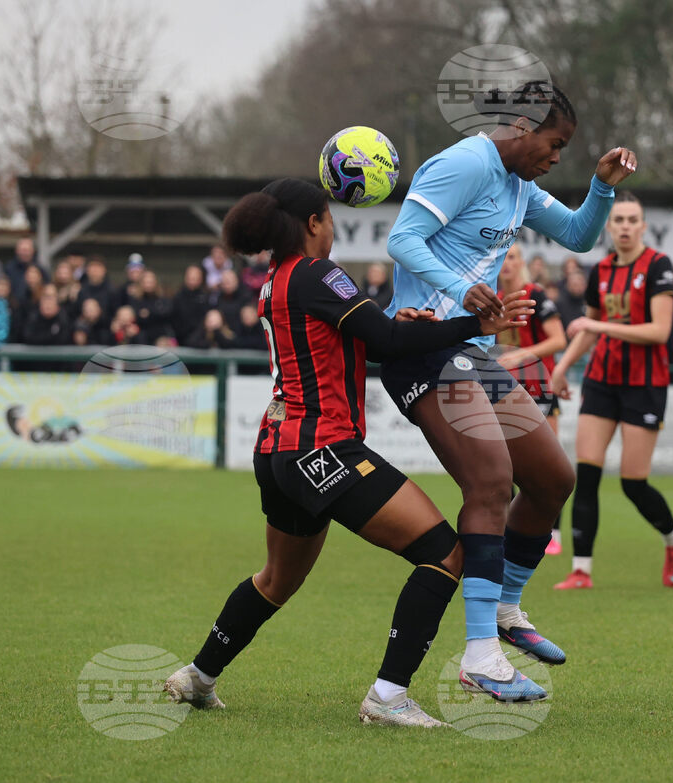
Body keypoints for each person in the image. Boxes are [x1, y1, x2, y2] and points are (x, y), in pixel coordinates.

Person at [164, 177, 535, 726]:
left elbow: (360, 334)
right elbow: (385, 343)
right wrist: (474, 325)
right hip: (324, 448)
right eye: (331, 218)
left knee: (276, 580)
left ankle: (198, 677)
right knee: (446, 552)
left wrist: (393, 324)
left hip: (277, 451)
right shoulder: (318, 273)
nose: (334, 227)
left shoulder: (276, 280)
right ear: (314, 223)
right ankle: (388, 695)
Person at [380, 79, 636, 700]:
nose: (556, 157)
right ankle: (479, 655)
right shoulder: (465, 163)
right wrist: (460, 288)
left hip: (470, 351)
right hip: (423, 348)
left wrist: (602, 185)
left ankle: (504, 609)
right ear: (521, 129)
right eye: (555, 144)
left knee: (553, 476)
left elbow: (578, 236)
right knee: (493, 481)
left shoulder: (519, 186)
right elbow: (402, 240)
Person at [549, 192, 673, 590]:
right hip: (602, 380)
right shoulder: (602, 270)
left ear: (644, 226)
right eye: (619, 220)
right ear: (608, 227)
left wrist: (599, 327)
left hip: (645, 383)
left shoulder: (659, 265)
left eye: (633, 220)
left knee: (632, 482)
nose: (625, 226)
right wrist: (560, 367)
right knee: (585, 474)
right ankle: (582, 571)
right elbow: (590, 325)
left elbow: (659, 331)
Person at [496, 243, 567, 555]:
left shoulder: (535, 295)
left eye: (512, 257)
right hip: (504, 393)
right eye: (502, 257)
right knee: (504, 466)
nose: (506, 263)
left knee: (548, 467)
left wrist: (520, 356)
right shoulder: (492, 300)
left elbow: (559, 339)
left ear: (521, 261)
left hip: (539, 388)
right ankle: (509, 531)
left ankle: (555, 533)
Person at [171, 265, 211, 345]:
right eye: (191, 276)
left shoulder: (206, 297)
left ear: (201, 278)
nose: (193, 278)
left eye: (196, 276)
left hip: (200, 340)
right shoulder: (178, 297)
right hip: (181, 340)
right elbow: (174, 322)